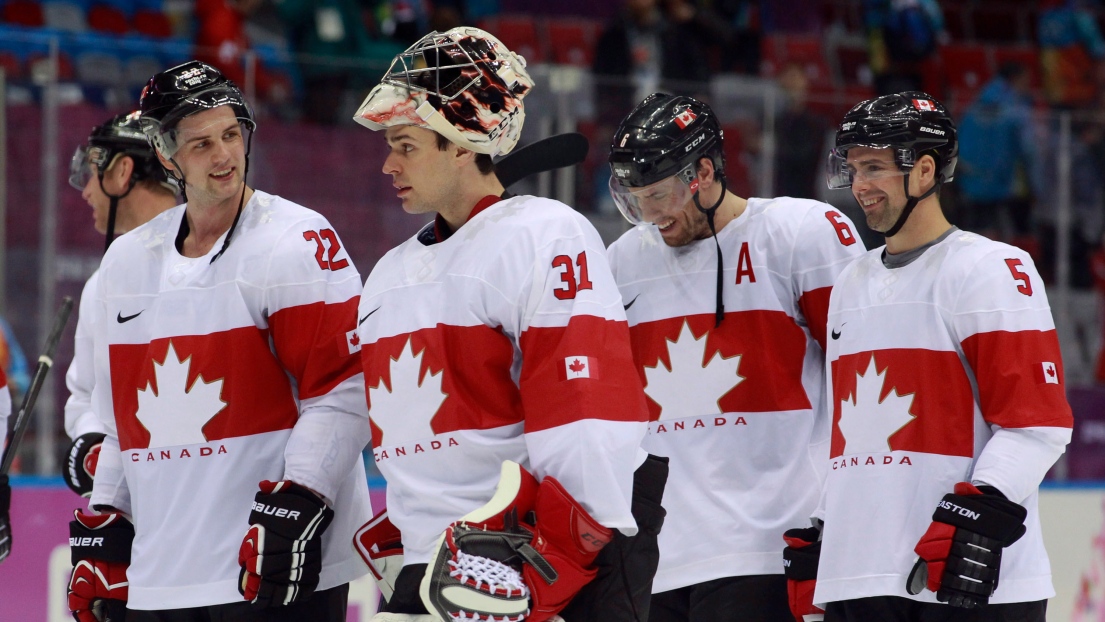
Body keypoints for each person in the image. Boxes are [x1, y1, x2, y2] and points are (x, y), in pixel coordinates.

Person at [351, 26, 666, 622]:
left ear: (463, 143)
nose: (389, 164)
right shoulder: (389, 273)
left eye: (406, 145)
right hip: (429, 569)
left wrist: (556, 567)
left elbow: (587, 413)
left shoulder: (544, 233)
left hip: (521, 566)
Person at [67, 60, 372, 621]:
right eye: (202, 143)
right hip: (163, 573)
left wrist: (302, 498)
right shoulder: (126, 264)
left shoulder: (297, 241)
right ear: (165, 153)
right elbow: (118, 423)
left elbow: (342, 387)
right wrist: (108, 517)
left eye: (232, 134)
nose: (225, 155)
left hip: (272, 566)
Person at [789, 91, 1073, 622]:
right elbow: (850, 429)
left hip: (964, 581)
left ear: (924, 171)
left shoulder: (989, 268)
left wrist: (982, 509)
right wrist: (827, 527)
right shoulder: (851, 280)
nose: (860, 186)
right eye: (852, 169)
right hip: (864, 575)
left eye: (873, 168)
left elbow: (1036, 421)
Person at [605, 92, 864, 622]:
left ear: (703, 171)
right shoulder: (623, 262)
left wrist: (844, 516)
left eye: (658, 195)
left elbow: (863, 375)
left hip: (772, 548)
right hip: (657, 562)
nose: (649, 216)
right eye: (634, 200)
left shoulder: (800, 234)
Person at [62, 111, 180, 500]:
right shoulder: (103, 284)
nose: (85, 192)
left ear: (123, 171)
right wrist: (93, 441)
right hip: (143, 509)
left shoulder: (224, 262)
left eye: (91, 173)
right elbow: (86, 397)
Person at [955, 62, 1038, 243]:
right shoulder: (1016, 107)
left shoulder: (977, 102)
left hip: (971, 180)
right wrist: (1037, 183)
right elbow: (1029, 147)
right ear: (1015, 79)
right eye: (1026, 79)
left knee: (973, 236)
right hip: (1001, 182)